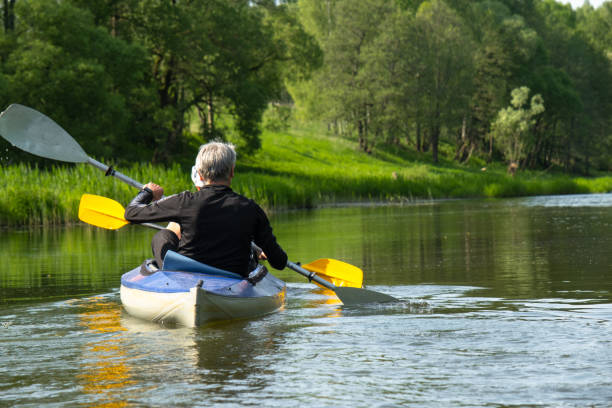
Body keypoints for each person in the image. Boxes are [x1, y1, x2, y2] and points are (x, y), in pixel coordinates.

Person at [124, 141, 288, 277]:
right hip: (231, 277)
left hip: (188, 276)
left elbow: (131, 213)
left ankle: (170, 276)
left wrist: (147, 193)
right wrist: (264, 251)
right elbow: (279, 262)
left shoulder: (183, 201)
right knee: (249, 255)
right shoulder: (251, 209)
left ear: (200, 175)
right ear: (232, 172)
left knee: (163, 235)